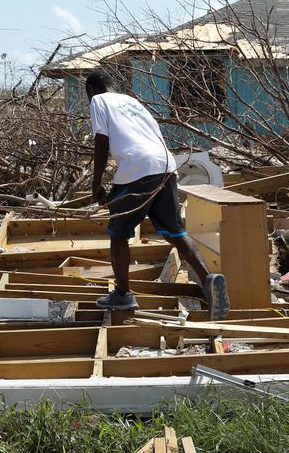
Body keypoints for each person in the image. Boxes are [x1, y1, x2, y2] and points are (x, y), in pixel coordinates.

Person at [86, 71, 230, 318]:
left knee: (118, 233)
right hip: (165, 165)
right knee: (176, 231)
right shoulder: (133, 103)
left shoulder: (99, 101)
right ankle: (208, 280)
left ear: (91, 90)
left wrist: (96, 182)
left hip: (138, 167)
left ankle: (122, 294)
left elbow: (101, 140)